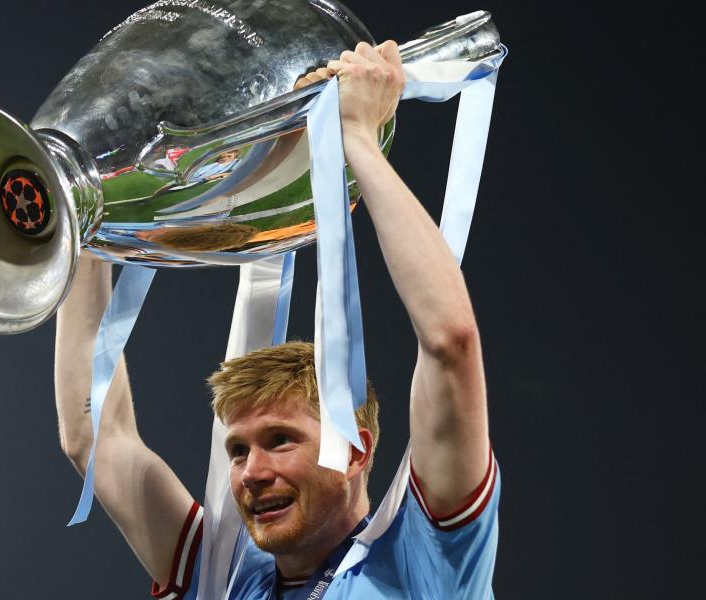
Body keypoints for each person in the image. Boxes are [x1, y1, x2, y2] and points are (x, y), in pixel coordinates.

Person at [54, 40, 499, 598]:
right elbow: (92, 435)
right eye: (238, 449)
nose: (251, 473)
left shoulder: (423, 564)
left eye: (280, 440)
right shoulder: (222, 577)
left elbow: (450, 342)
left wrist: (356, 135)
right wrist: (85, 210)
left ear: (355, 451)